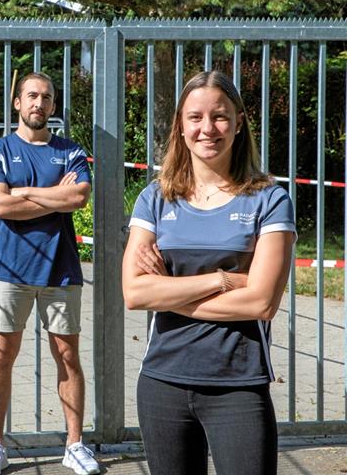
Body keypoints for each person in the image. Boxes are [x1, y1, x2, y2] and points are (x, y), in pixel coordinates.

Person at [122, 70, 296, 475]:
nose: (208, 128)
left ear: (238, 123)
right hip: (162, 382)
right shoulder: (155, 197)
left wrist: (166, 290)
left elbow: (261, 301)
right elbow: (133, 293)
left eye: (219, 116)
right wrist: (221, 281)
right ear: (180, 127)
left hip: (238, 385)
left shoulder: (269, 200)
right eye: (195, 117)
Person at [0, 72, 99, 475]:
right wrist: (52, 199)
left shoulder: (70, 151)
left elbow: (78, 196)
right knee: (1, 355)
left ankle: (74, 445)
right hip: (9, 268)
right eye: (31, 96)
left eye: (46, 97)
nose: (38, 104)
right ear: (17, 103)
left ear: (53, 105)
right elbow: (0, 206)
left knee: (68, 357)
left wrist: (23, 192)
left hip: (61, 269)